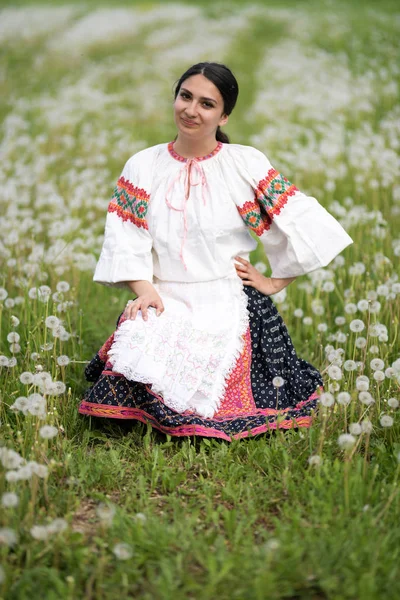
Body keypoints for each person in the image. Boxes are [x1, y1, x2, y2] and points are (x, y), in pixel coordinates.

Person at [78, 62, 352, 441]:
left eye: (207, 104)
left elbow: (300, 219)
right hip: (164, 295)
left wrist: (275, 280)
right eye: (185, 96)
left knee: (219, 384)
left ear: (224, 115)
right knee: (139, 353)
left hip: (227, 296)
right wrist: (144, 290)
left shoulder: (243, 163)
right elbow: (126, 235)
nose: (191, 110)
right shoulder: (143, 166)